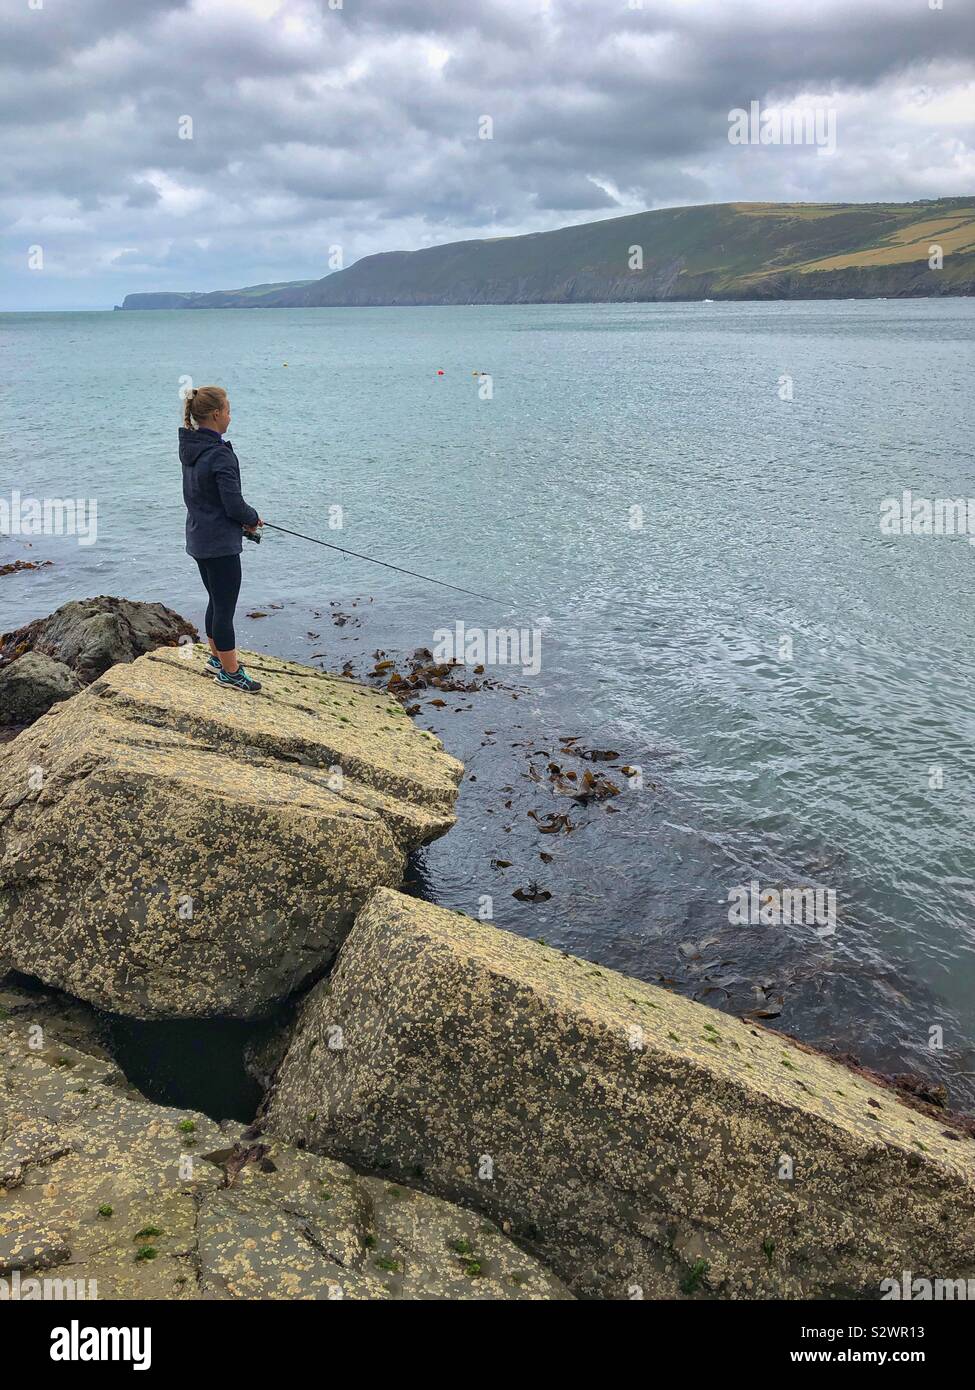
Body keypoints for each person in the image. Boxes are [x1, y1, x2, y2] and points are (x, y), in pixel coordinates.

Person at [179, 385, 264, 693]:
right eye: (228, 410)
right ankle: (230, 672)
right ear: (216, 414)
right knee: (225, 607)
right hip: (219, 545)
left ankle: (216, 658)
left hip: (199, 539)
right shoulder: (219, 455)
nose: (230, 416)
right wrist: (252, 519)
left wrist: (245, 519)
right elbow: (233, 504)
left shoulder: (192, 449)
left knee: (215, 600)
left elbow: (204, 498)